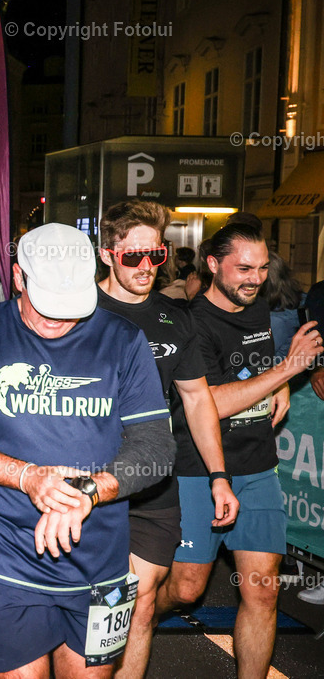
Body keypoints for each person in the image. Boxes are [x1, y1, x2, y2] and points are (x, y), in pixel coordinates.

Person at [0, 223, 176, 678]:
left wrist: (89, 491)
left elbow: (156, 446)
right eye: (46, 306)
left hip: (100, 559)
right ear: (18, 277)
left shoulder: (123, 340)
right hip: (6, 555)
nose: (58, 321)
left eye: (71, 308)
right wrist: (28, 477)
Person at [158, 218, 323, 679]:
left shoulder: (256, 308)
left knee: (263, 591)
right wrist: (286, 372)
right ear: (213, 265)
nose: (256, 278)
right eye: (244, 268)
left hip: (258, 467)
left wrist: (279, 383)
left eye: (263, 268)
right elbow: (209, 402)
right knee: (187, 589)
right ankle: (142, 612)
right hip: (198, 469)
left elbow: (255, 368)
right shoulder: (191, 322)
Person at [93, 201, 240, 679]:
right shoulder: (78, 310)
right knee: (98, 605)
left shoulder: (175, 317)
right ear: (106, 254)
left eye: (155, 255)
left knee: (139, 604)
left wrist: (219, 475)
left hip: (153, 481)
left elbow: (197, 400)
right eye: (132, 256)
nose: (146, 267)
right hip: (89, 479)